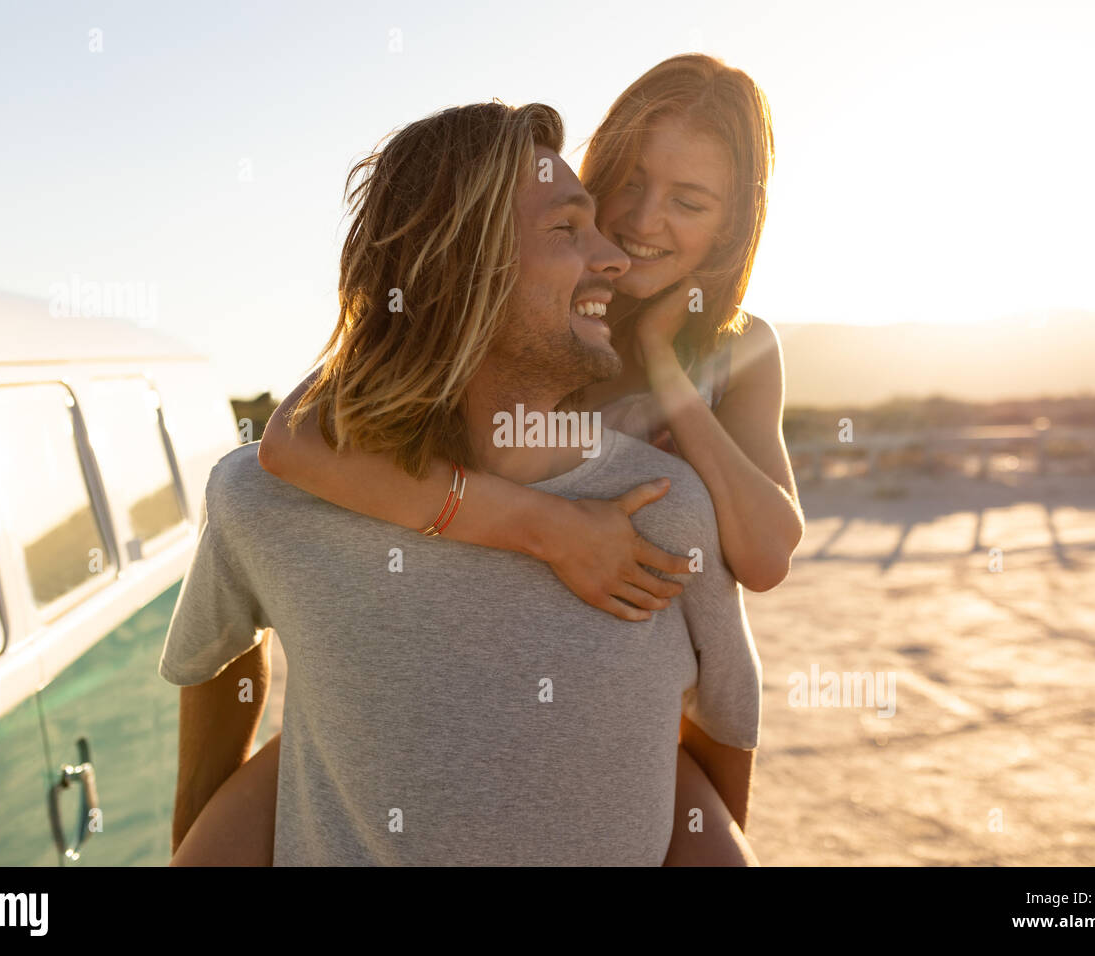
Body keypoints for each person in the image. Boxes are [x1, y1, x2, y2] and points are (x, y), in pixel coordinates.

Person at [161, 99, 764, 866]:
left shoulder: (666, 509)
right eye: (565, 230)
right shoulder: (262, 501)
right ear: (454, 271)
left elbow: (724, 724)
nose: (614, 256)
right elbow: (215, 663)